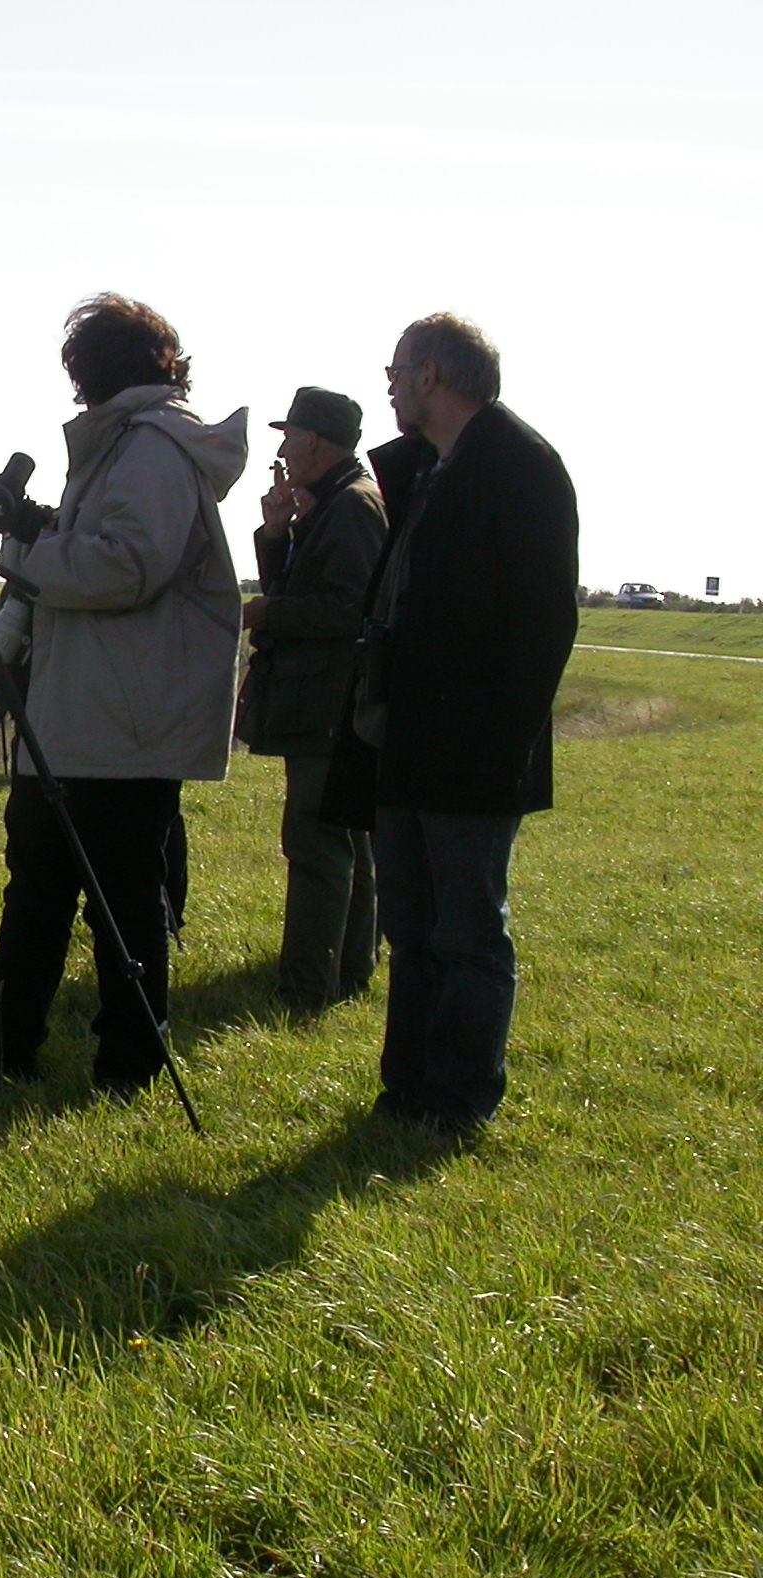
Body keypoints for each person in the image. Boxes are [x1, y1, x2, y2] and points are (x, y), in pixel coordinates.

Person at [0, 294, 247, 1098]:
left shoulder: (152, 446)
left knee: (119, 905)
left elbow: (125, 565)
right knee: (42, 891)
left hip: (120, 723)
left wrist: (28, 558)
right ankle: (10, 1056)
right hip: (81, 713)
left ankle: (128, 1069)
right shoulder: (128, 442)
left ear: (90, 373)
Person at [323, 313, 578, 1133]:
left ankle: (459, 1103)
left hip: (472, 751)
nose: (391, 387)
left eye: (397, 372)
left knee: (468, 933)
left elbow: (544, 626)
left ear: (431, 375)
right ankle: (407, 1095)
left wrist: (500, 753)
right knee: (411, 930)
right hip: (407, 741)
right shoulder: (429, 470)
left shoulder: (521, 467)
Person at [235, 386, 386, 1013]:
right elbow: (310, 587)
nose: (284, 450)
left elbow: (350, 610)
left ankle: (306, 989)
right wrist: (276, 534)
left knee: (318, 843)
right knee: (346, 840)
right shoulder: (338, 501)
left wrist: (268, 612)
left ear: (316, 441)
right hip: (331, 703)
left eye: (291, 436)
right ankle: (347, 974)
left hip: (330, 702)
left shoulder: (351, 508)